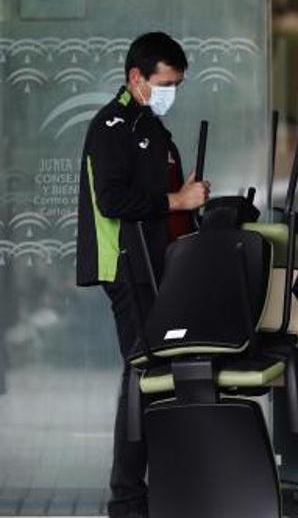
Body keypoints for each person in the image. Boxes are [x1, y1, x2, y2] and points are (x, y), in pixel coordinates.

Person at [76, 32, 210, 518]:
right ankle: (128, 499)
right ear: (137, 78)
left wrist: (187, 197)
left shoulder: (150, 125)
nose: (173, 91)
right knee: (141, 375)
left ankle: (161, 487)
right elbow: (111, 200)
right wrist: (176, 200)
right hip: (131, 267)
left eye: (178, 83)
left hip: (163, 266)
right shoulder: (112, 125)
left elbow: (161, 197)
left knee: (156, 377)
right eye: (166, 82)